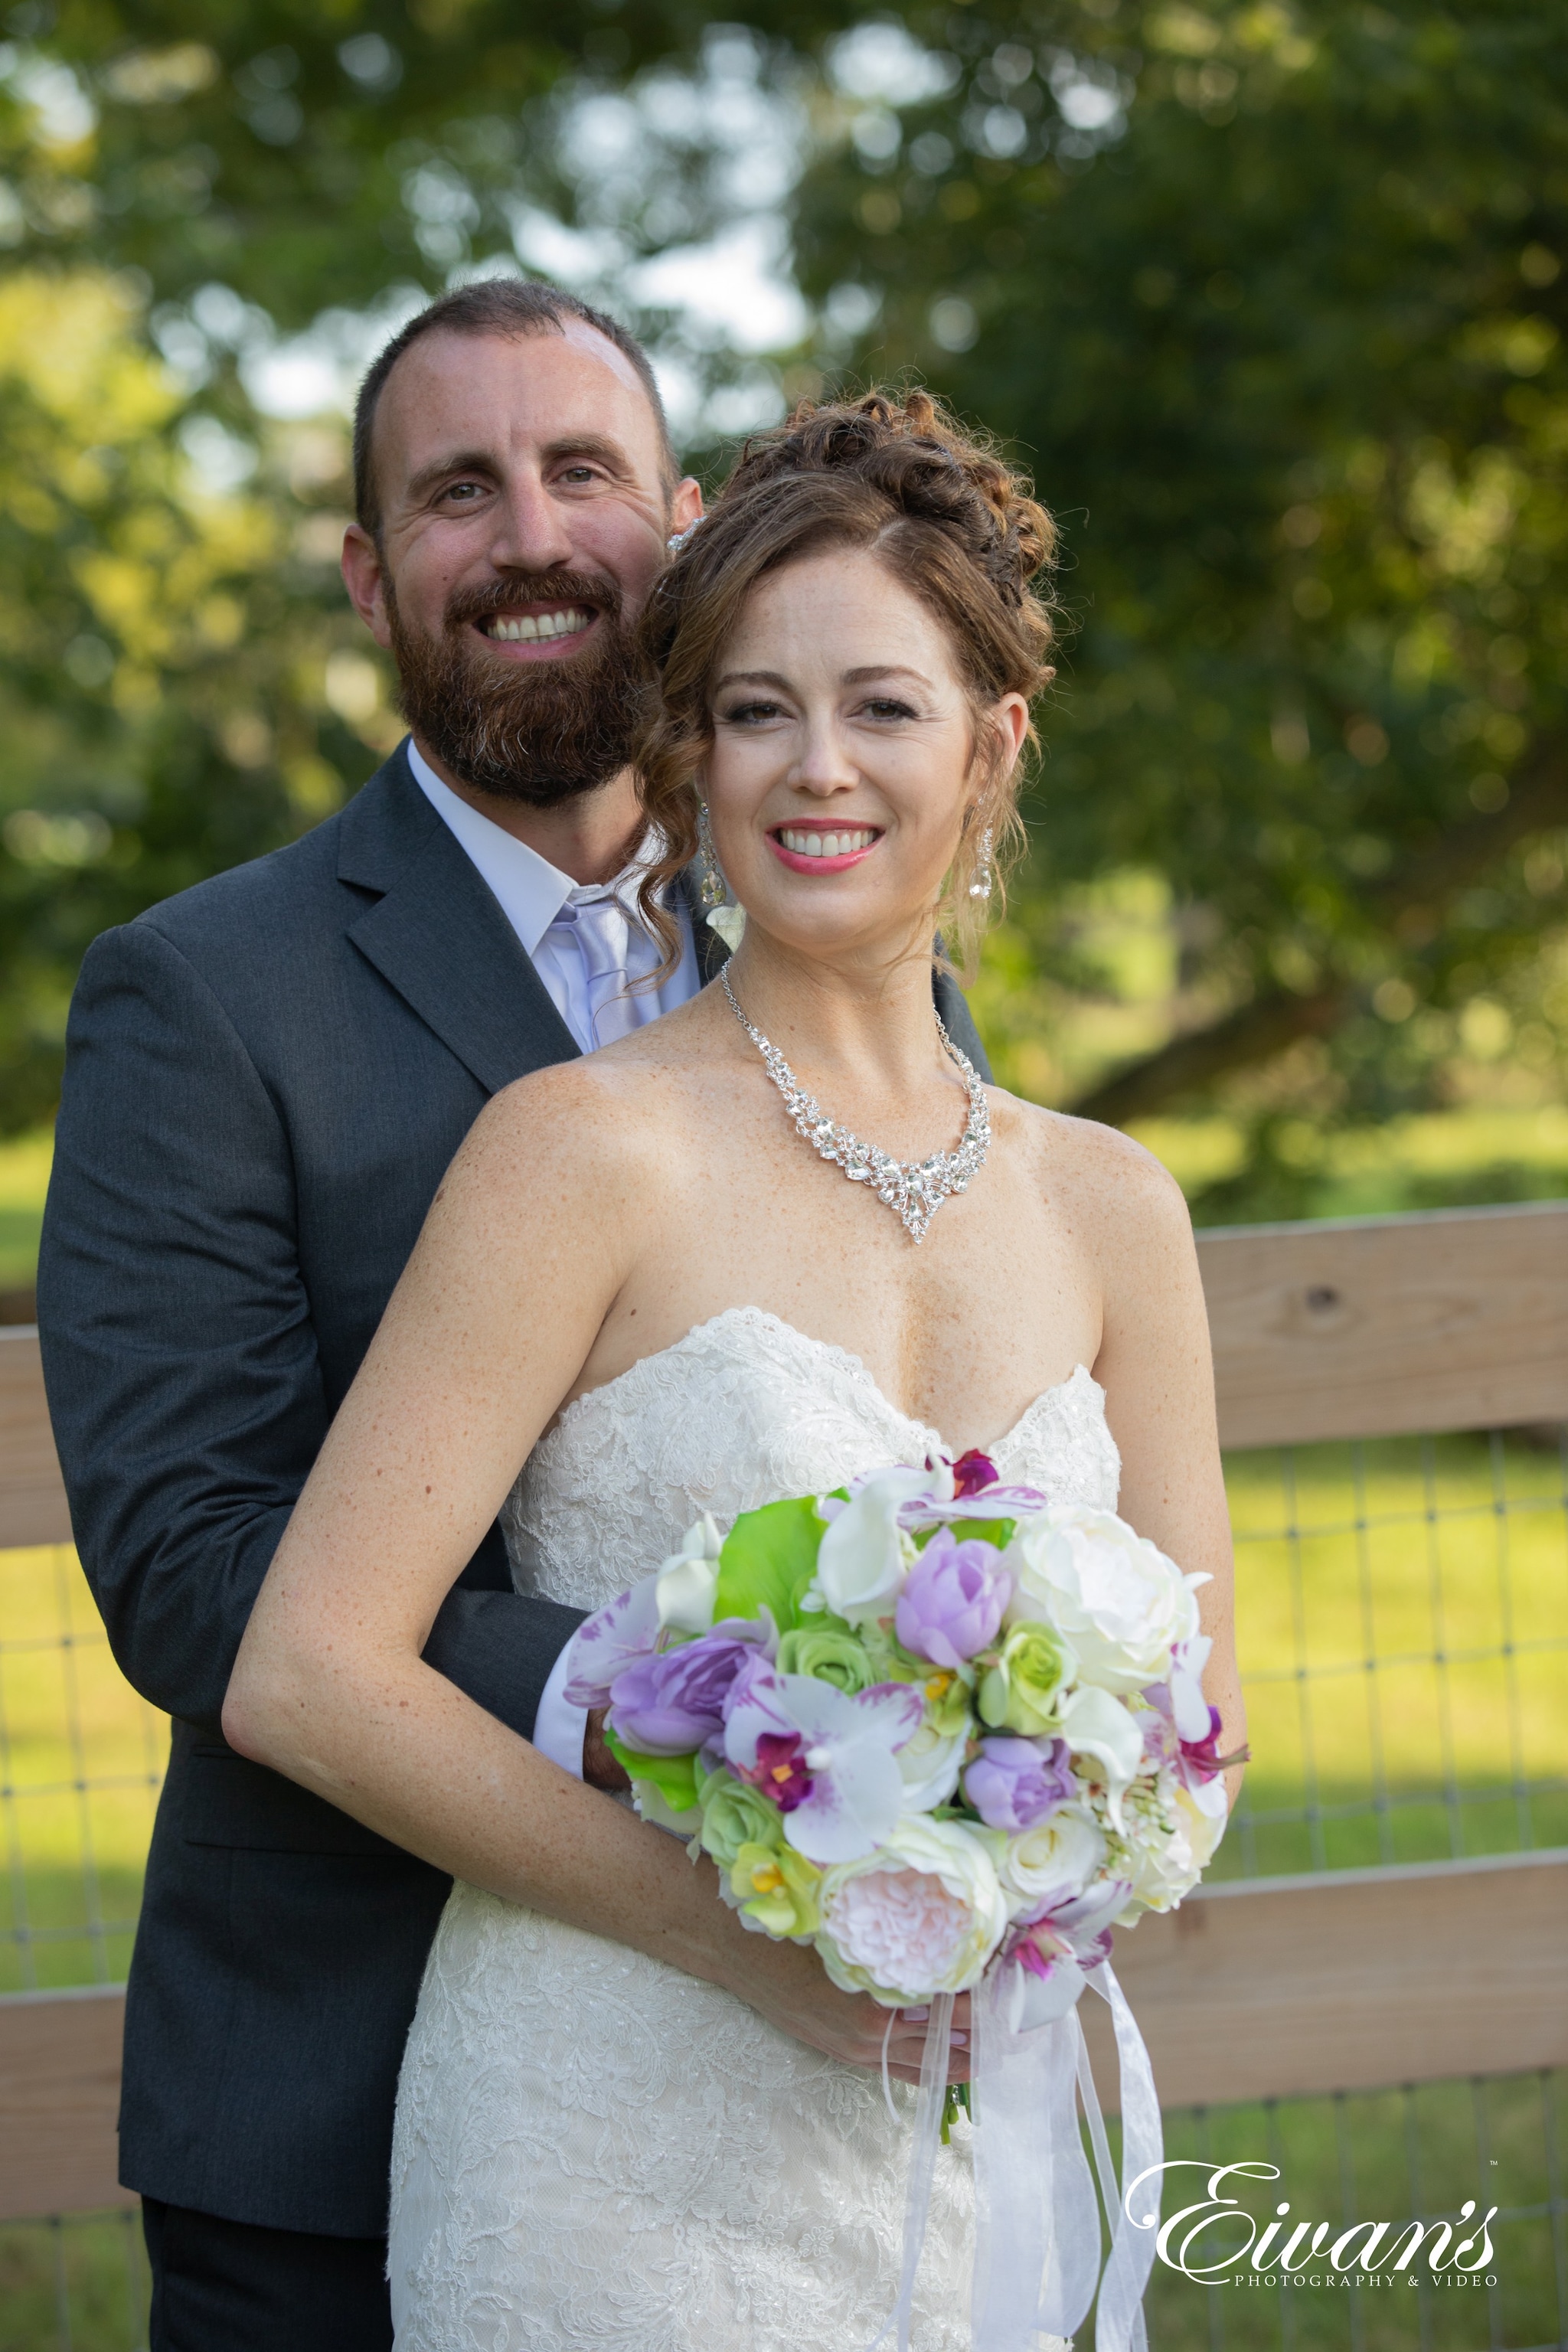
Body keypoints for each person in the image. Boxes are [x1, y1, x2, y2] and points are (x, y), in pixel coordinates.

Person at [224, 390, 1244, 2351]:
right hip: (603, 2138)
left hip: (972, 2134)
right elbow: (311, 1675)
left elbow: (1201, 1728)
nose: (814, 768)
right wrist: (753, 1943)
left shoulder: (1118, 1208)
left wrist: (1031, 1850)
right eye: (755, 711)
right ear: (690, 752)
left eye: (880, 705)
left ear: (992, 741)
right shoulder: (576, 1150)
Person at [38, 277, 989, 2352]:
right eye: (458, 492)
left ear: (687, 514)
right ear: (375, 574)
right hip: (344, 2094)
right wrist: (741, 1700)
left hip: (809, 2098)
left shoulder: (842, 922)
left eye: (581, 472)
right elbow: (195, 1565)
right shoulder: (207, 999)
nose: (531, 535)